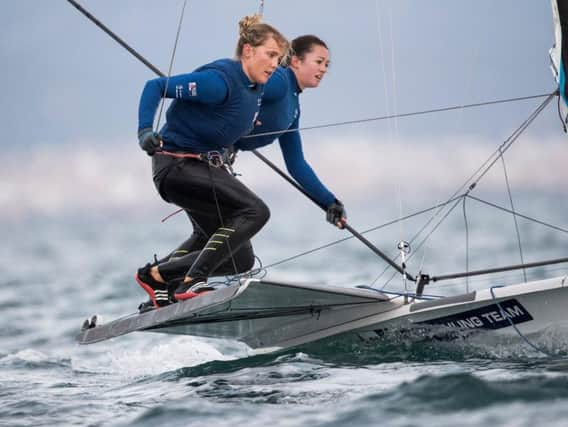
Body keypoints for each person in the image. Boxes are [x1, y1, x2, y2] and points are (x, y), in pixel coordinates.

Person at [135, 15, 290, 309]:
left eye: (278, 58)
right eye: (270, 55)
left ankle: (159, 280)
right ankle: (193, 281)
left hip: (201, 170)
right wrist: (145, 131)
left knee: (240, 259)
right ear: (247, 51)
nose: (274, 64)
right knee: (255, 211)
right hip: (176, 167)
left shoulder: (256, 88)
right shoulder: (218, 82)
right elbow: (155, 86)